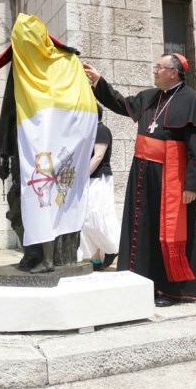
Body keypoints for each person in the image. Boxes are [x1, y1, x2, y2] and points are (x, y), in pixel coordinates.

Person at [83, 53, 196, 307]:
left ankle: (172, 290)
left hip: (172, 177)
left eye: (159, 67)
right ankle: (142, 281)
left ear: (174, 73)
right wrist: (99, 81)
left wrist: (193, 186)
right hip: (143, 174)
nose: (154, 70)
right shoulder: (150, 97)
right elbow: (121, 104)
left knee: (168, 232)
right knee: (143, 228)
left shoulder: (193, 101)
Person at [78, 103, 120, 271]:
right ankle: (96, 259)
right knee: (87, 220)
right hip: (89, 179)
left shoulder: (101, 130)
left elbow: (98, 156)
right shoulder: (89, 132)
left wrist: (81, 176)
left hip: (98, 179)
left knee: (96, 217)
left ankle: (113, 248)